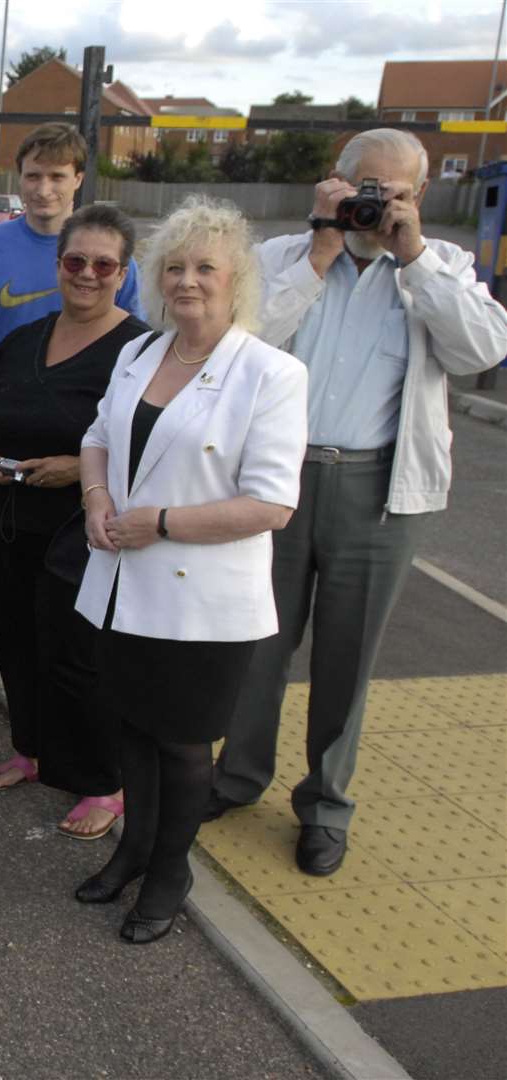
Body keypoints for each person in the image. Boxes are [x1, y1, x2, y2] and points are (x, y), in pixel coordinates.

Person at [210, 129, 507, 875]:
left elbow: (482, 353)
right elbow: (236, 345)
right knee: (256, 646)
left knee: (348, 659)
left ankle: (325, 805)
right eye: (365, 188)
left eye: (396, 192)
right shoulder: (284, 257)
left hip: (379, 492)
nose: (378, 204)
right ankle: (238, 777)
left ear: (419, 198)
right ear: (332, 185)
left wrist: (414, 257)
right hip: (277, 484)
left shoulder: (444, 268)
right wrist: (317, 252)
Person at [71, 196, 307, 944]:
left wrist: (161, 523)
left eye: (206, 267)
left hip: (202, 599)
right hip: (121, 582)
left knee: (180, 744)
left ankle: (171, 871)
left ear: (236, 280)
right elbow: (97, 437)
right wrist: (95, 498)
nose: (188, 280)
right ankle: (133, 848)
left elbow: (271, 503)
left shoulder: (270, 373)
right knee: (131, 732)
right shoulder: (142, 351)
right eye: (175, 266)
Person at [0, 123, 145, 713]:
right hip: (1, 434)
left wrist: (94, 460)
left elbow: (145, 356)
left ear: (78, 179)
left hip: (85, 451)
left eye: (57, 176)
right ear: (18, 180)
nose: (44, 188)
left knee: (73, 572)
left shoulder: (109, 256)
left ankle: (55, 682)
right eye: (33, 176)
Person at [0, 204, 151, 839]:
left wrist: (79, 468)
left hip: (85, 528)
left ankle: (104, 783)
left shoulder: (142, 351)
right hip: (11, 516)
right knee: (16, 637)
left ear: (123, 273)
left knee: (79, 657)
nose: (88, 274)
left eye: (104, 265)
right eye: (76, 261)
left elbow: (155, 447)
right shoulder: (27, 336)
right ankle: (32, 749)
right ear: (58, 265)